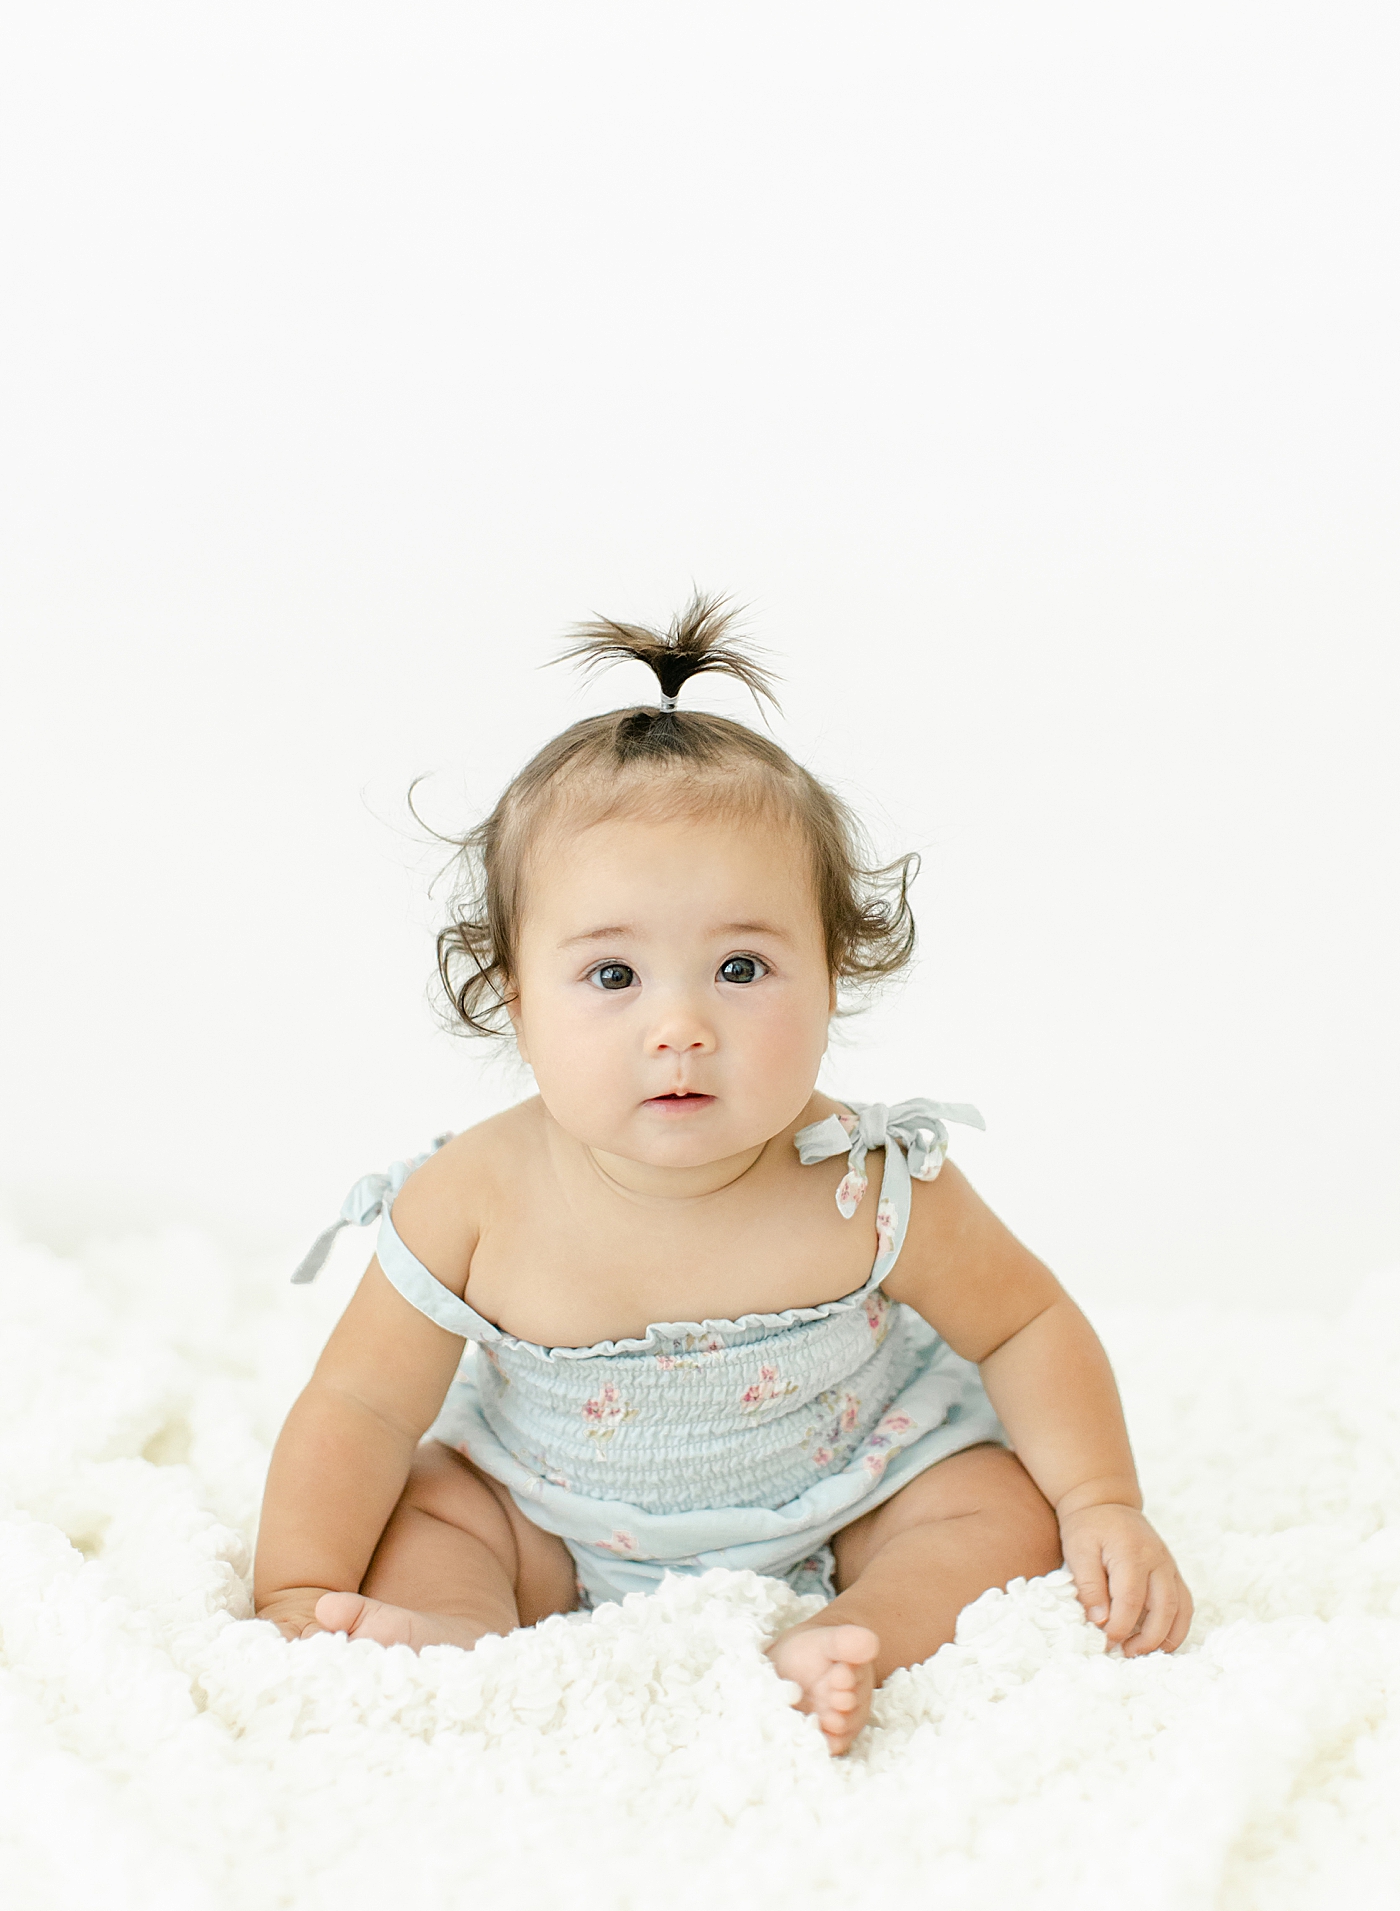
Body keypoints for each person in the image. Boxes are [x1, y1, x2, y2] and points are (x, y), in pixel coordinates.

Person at [255, 593, 1191, 1754]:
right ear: (509, 997)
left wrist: (1100, 1498)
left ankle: (855, 1630)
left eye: (741, 966)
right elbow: (359, 1406)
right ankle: (454, 1628)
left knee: (993, 1507)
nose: (682, 1026)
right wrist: (295, 1587)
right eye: (612, 978)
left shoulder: (870, 1180)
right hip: (542, 1510)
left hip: (852, 1487)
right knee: (440, 1510)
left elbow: (1023, 1325)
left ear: (835, 977)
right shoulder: (471, 1200)